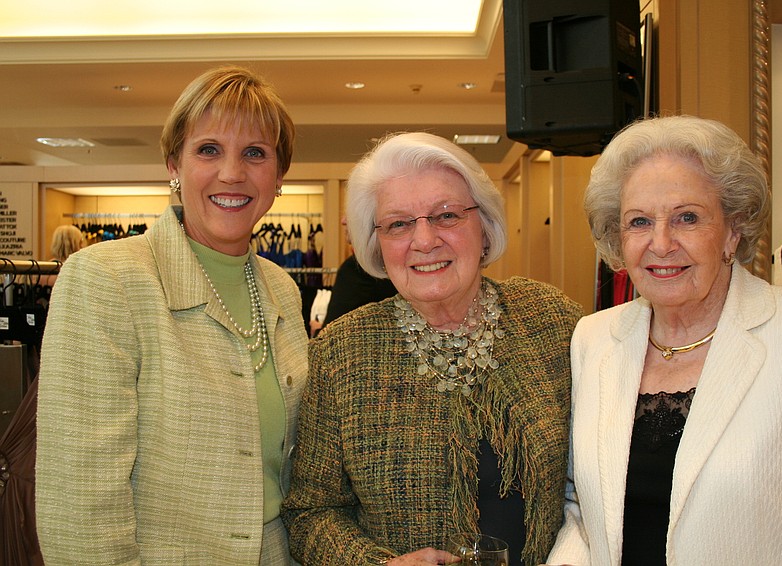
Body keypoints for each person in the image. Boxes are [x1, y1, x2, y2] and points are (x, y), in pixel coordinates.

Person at [547, 115, 782, 565]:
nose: (662, 243)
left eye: (687, 218)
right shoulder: (594, 339)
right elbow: (582, 510)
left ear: (733, 230)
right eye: (639, 221)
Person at [35, 66, 308, 565]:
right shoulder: (106, 279)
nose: (232, 173)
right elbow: (79, 506)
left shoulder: (283, 290)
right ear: (173, 165)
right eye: (208, 150)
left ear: (279, 177)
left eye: (255, 152)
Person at [283, 131, 583, 566]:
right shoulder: (342, 352)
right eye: (399, 224)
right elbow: (310, 512)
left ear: (485, 228)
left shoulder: (553, 322)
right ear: (377, 245)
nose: (423, 241)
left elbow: (598, 485)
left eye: (445, 216)